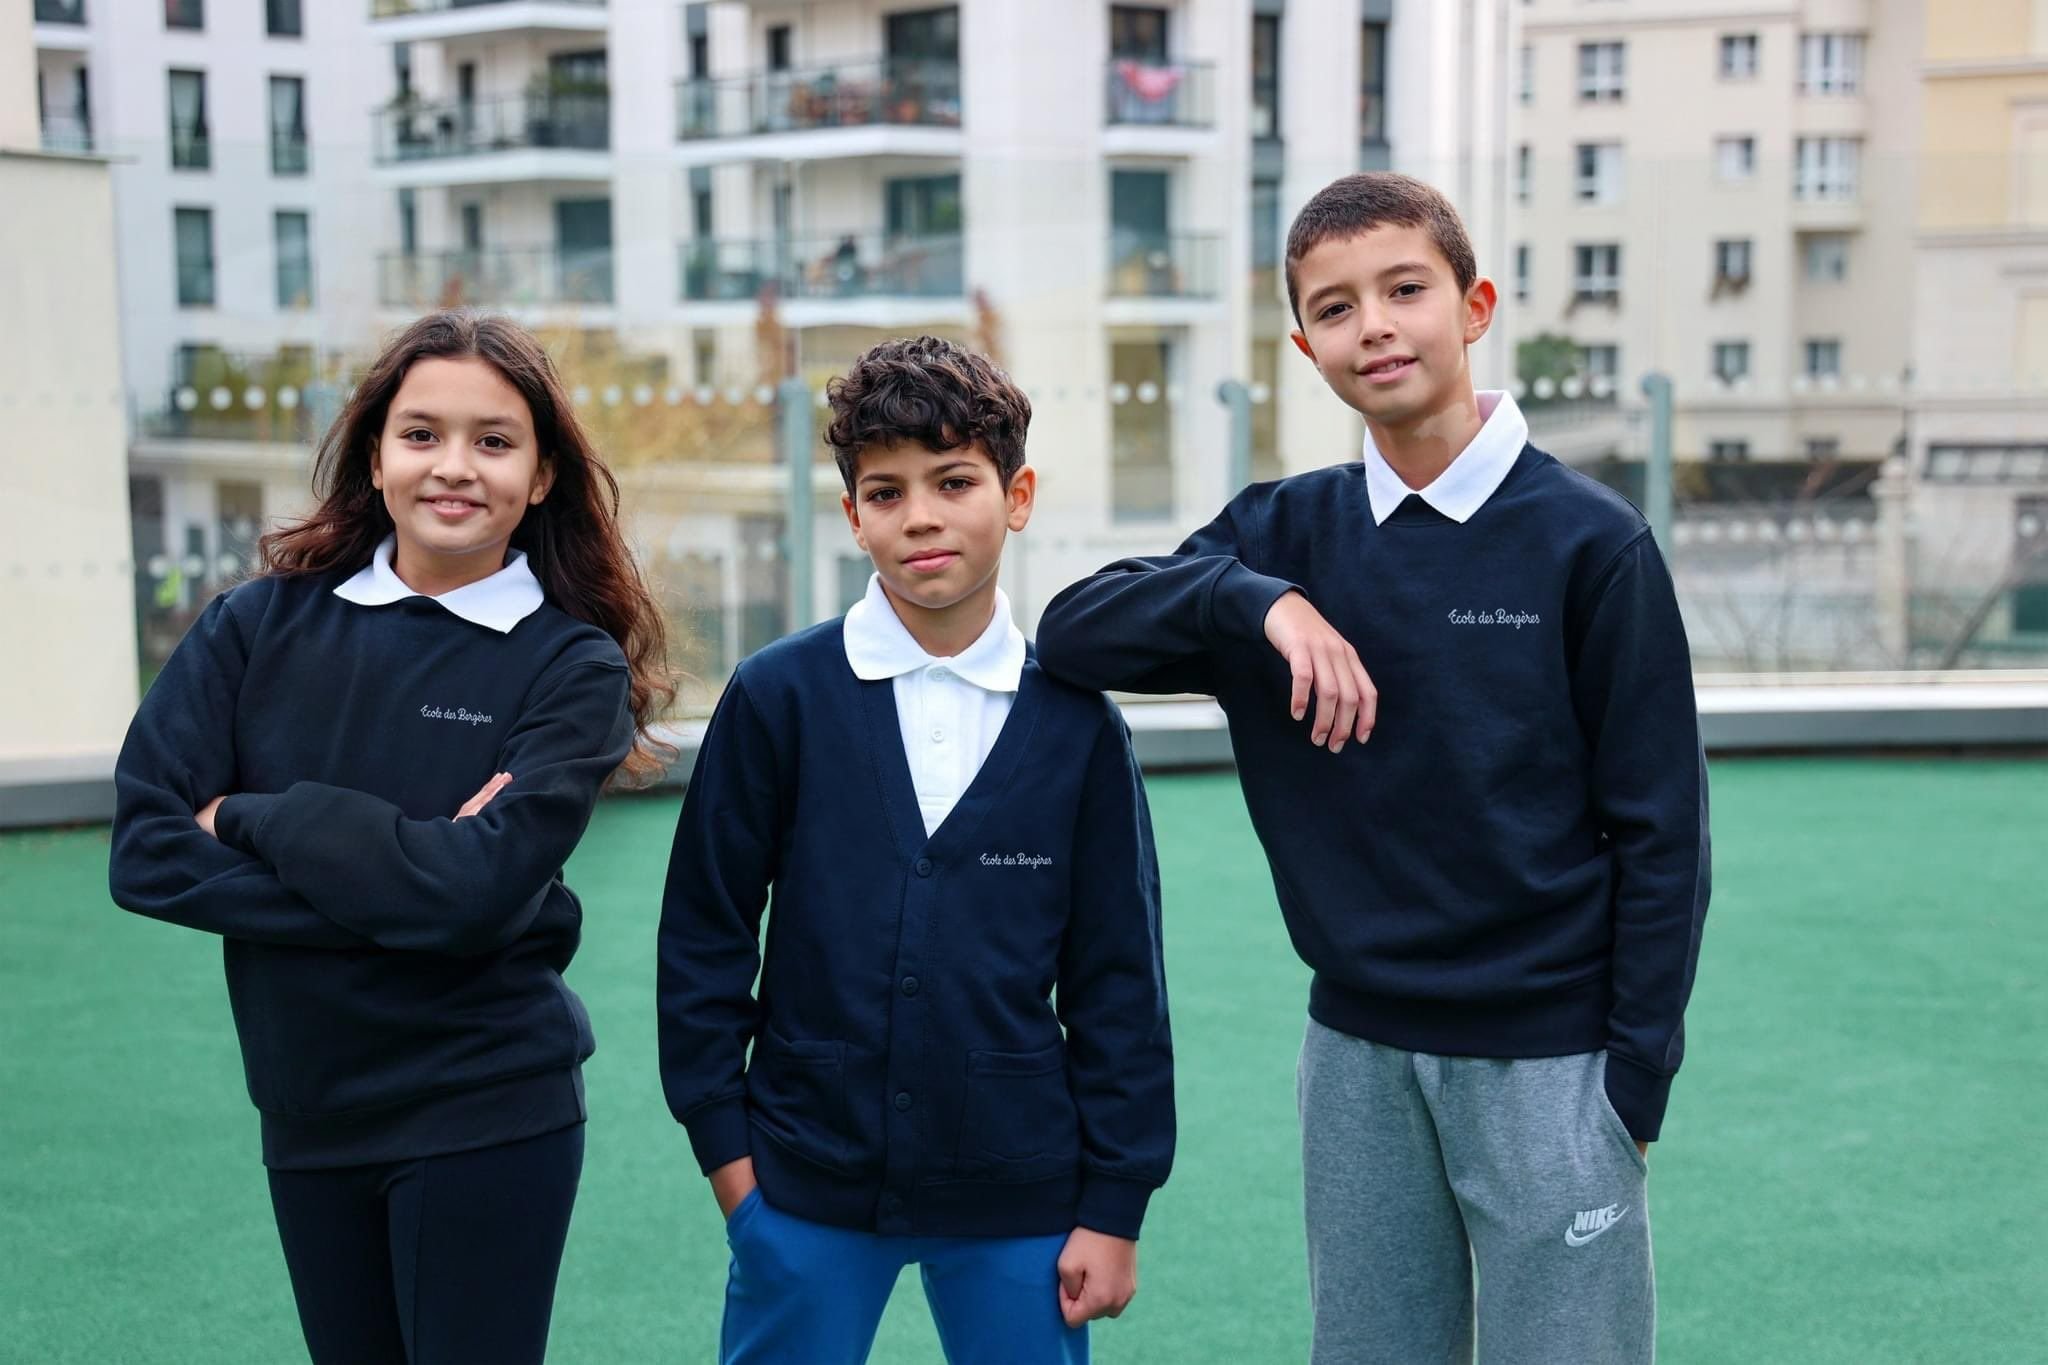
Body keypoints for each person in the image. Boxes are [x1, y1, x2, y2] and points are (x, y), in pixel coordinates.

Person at [1035, 173, 1711, 1365]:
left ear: (1473, 304)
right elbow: (1074, 630)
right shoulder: (1278, 532)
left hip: (1551, 1060)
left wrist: (1631, 1087)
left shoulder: (1591, 543)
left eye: (1405, 290)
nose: (1375, 327)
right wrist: (1258, 601)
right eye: (1336, 308)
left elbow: (1662, 832)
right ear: (1305, 344)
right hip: (1351, 1057)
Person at [109, 308, 675, 1365]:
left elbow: (476, 895)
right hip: (307, 1110)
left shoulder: (570, 669)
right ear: (375, 455)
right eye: (421, 434)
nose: (453, 467)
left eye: (494, 441)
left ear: (542, 476)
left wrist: (251, 817)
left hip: (485, 1107)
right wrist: (406, 875)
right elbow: (145, 852)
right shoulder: (254, 627)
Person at [657, 335, 1173, 1365]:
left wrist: (1114, 1205)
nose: (921, 516)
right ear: (852, 517)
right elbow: (704, 937)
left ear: (1015, 495)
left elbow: (1118, 976)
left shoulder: (1076, 725)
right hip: (801, 1177)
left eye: (953, 481)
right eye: (884, 492)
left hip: (1023, 1188)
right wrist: (733, 1167)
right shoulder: (778, 698)